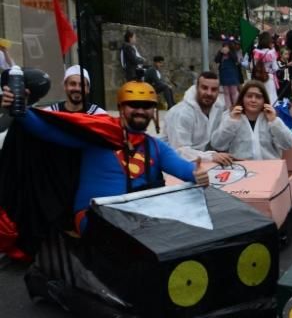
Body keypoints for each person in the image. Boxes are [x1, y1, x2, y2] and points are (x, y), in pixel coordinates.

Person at [1, 80, 208, 233]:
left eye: (146, 106)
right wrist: (20, 108)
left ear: (154, 111)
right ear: (121, 108)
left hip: (141, 216)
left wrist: (197, 174)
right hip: (95, 217)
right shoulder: (97, 135)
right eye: (133, 104)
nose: (140, 110)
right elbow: (46, 131)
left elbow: (185, 169)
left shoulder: (156, 146)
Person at [210, 80, 292, 160]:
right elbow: (218, 145)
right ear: (242, 98)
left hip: (270, 170)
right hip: (240, 170)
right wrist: (231, 122)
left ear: (264, 100)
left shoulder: (271, 118)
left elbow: (288, 144)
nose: (253, 100)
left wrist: (274, 122)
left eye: (258, 97)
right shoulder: (230, 116)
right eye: (249, 96)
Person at [164, 70, 232, 164]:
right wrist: (211, 156)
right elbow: (180, 151)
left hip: (206, 164)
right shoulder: (181, 113)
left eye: (213, 89)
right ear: (196, 88)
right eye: (204, 88)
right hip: (177, 166)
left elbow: (219, 140)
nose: (209, 93)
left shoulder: (219, 108)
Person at [43, 66, 107, 115]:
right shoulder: (50, 113)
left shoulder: (99, 114)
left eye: (82, 85)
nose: (77, 89)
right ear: (65, 86)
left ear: (88, 89)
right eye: (72, 84)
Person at [252, 32, 279, 104]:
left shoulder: (256, 52)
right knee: (271, 97)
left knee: (260, 95)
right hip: (269, 77)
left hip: (258, 77)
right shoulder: (271, 53)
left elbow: (253, 65)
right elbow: (275, 68)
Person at [215, 40, 243, 109]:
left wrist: (229, 52)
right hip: (224, 75)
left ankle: (236, 107)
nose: (225, 48)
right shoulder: (220, 53)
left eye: (227, 46)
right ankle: (229, 108)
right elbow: (216, 60)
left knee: (234, 92)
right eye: (224, 46)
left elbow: (236, 59)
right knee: (226, 93)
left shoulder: (233, 53)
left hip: (232, 74)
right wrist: (220, 52)